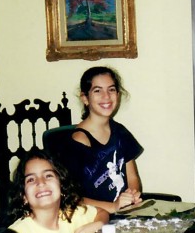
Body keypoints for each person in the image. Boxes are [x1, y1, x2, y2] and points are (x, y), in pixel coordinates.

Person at [56, 66, 144, 212]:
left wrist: (132, 195)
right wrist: (114, 207)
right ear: (85, 98)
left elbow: (133, 177)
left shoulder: (120, 132)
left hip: (123, 214)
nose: (106, 96)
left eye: (111, 89)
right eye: (97, 90)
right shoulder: (78, 141)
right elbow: (70, 197)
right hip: (93, 219)